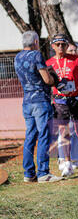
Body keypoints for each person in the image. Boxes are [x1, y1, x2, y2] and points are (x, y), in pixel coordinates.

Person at [46, 34, 78, 176]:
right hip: (60, 100)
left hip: (76, 99)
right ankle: (67, 164)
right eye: (58, 44)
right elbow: (46, 80)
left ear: (67, 46)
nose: (61, 47)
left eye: (63, 44)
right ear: (53, 46)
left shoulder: (75, 59)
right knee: (64, 132)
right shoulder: (49, 62)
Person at [14, 31, 61, 182]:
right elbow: (47, 80)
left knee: (30, 136)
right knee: (43, 135)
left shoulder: (17, 57)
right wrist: (54, 77)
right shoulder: (36, 55)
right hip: (41, 100)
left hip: (27, 101)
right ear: (35, 41)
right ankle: (43, 173)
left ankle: (28, 173)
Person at [56, 42, 78, 170]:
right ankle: (63, 159)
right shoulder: (62, 67)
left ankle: (76, 159)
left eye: (75, 50)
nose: (74, 53)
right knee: (65, 131)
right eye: (71, 50)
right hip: (64, 102)